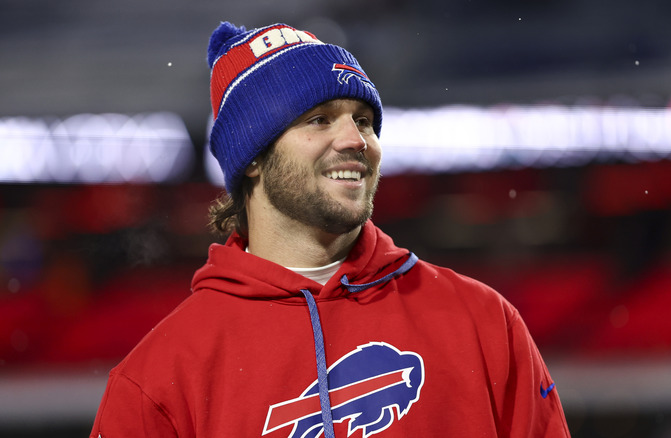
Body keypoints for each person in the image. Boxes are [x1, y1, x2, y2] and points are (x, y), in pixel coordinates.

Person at [90, 21, 570, 438]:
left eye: (363, 120)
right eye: (319, 120)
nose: (355, 140)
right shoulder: (157, 379)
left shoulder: (483, 321)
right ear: (253, 156)